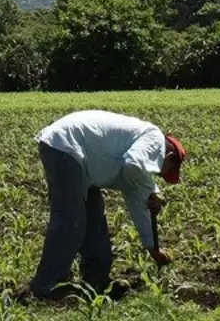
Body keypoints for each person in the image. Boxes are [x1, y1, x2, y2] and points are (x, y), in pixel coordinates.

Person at [22, 109, 186, 301]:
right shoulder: (154, 137)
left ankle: (96, 280)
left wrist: (153, 249)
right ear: (170, 156)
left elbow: (139, 207)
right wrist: (153, 189)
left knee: (94, 219)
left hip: (82, 158)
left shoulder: (138, 172)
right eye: (163, 172)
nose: (158, 174)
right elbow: (133, 164)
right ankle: (46, 286)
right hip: (67, 145)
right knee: (71, 220)